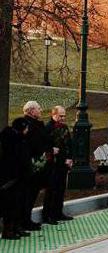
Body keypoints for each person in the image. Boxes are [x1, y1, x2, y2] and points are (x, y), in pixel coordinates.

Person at [21, 101, 51, 231]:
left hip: (36, 165)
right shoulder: (27, 125)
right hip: (31, 166)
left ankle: (26, 220)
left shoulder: (36, 124)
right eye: (38, 108)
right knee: (28, 194)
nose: (41, 110)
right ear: (31, 111)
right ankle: (24, 221)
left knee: (32, 194)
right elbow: (34, 143)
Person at [0, 118, 31, 240]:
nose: (28, 130)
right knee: (10, 205)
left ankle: (16, 227)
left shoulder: (18, 139)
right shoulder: (12, 140)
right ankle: (8, 230)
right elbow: (16, 158)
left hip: (18, 177)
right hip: (11, 178)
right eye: (26, 128)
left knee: (18, 203)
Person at [42, 106, 74, 224]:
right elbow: (43, 145)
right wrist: (51, 150)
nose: (63, 118)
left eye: (64, 116)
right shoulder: (48, 128)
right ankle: (48, 215)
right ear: (53, 115)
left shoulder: (64, 127)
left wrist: (70, 158)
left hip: (63, 163)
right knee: (51, 189)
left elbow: (69, 144)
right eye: (61, 116)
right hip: (52, 164)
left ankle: (58, 212)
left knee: (61, 189)